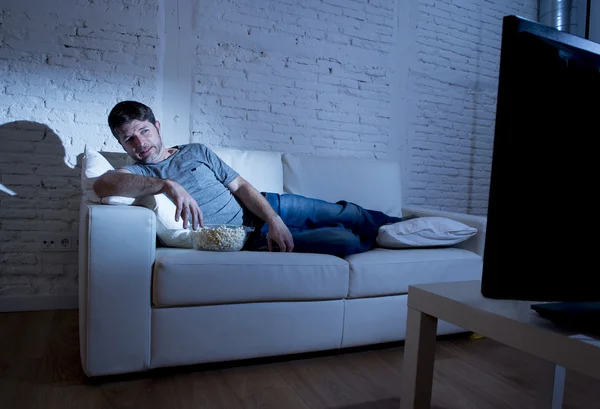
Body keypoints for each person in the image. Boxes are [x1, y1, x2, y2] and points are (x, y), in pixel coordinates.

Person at [93, 100, 403, 257]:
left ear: (157, 126)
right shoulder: (138, 174)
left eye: (143, 131)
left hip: (267, 205)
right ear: (122, 144)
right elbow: (103, 184)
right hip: (247, 238)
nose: (140, 143)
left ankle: (402, 227)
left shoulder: (196, 150)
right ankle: (388, 239)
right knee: (344, 239)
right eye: (129, 139)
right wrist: (166, 185)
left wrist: (275, 218)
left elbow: (239, 186)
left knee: (345, 213)